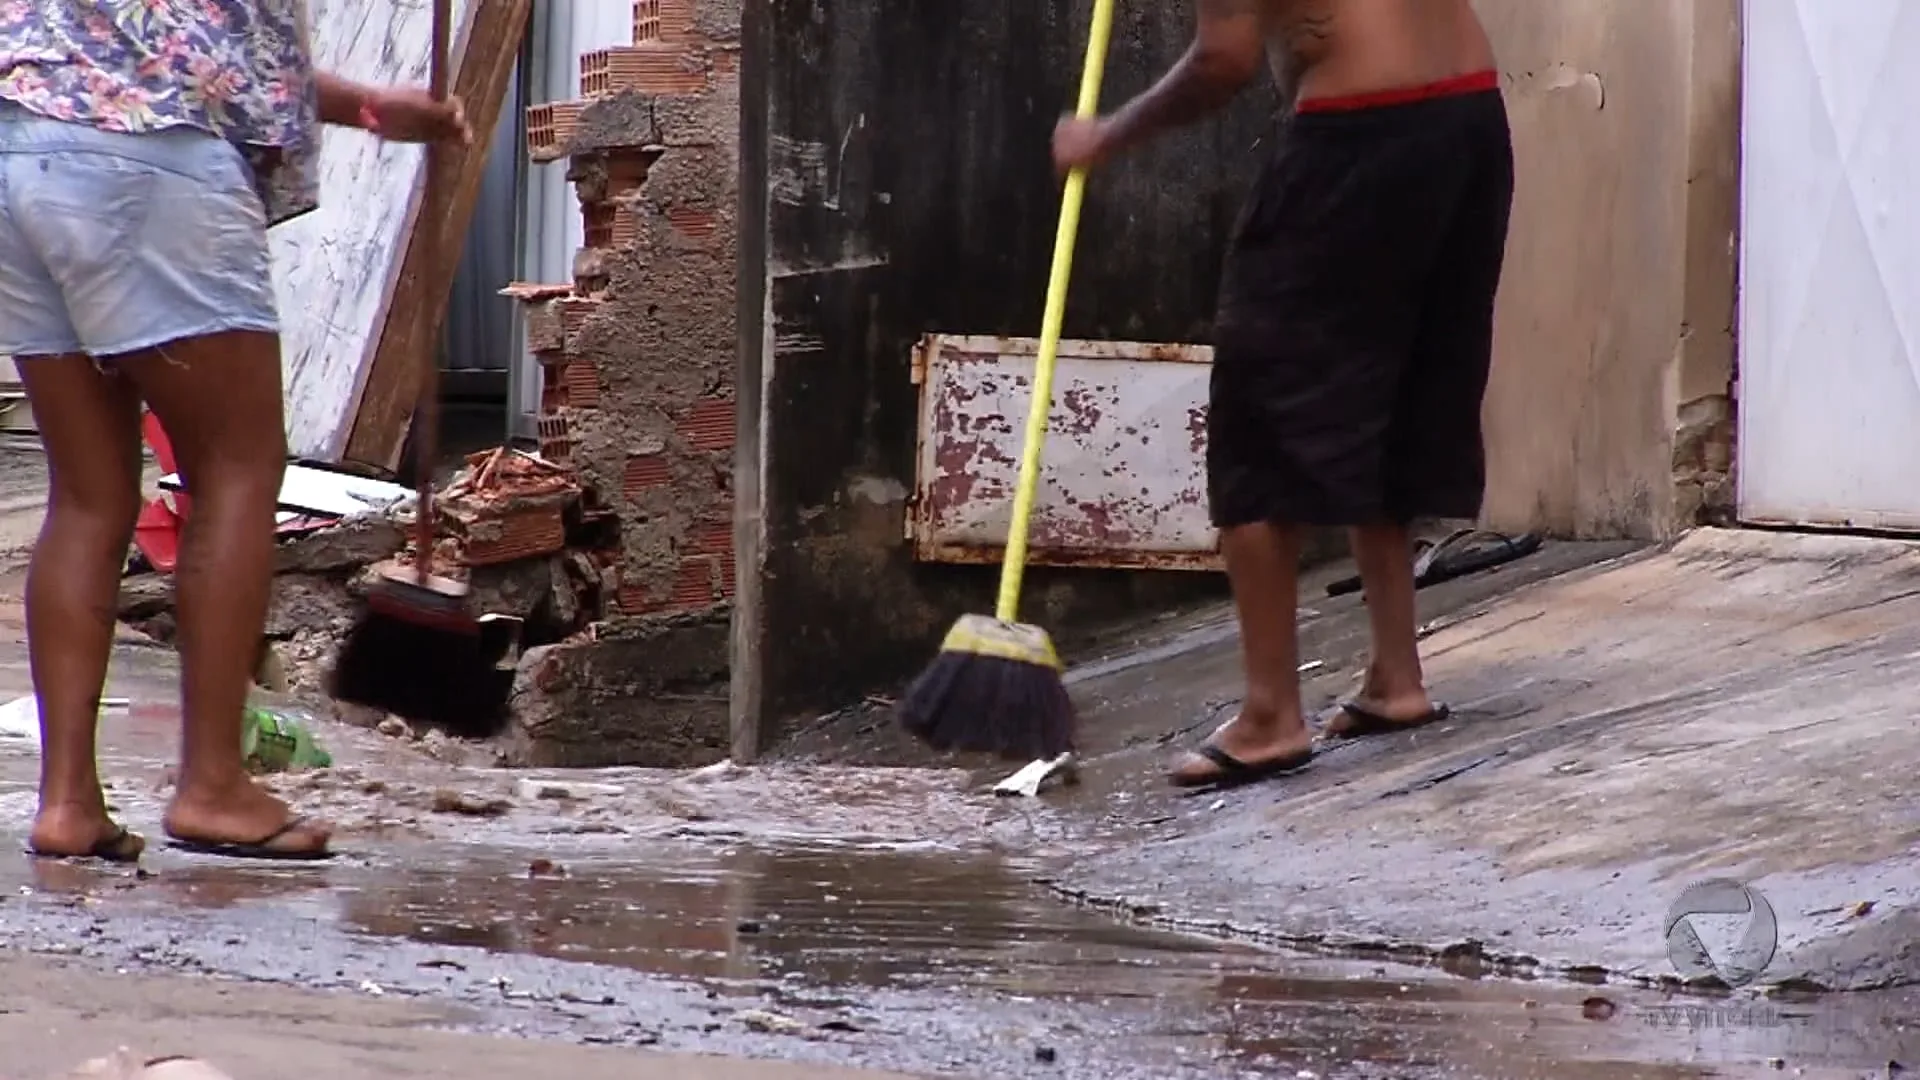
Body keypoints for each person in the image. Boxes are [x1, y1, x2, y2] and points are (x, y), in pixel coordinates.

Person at [0, 2, 469, 861]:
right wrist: (370, 107)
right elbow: (208, 61)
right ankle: (213, 784)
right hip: (149, 156)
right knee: (237, 470)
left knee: (89, 494)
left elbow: (189, 41)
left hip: (21, 151)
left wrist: (368, 106)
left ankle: (67, 801)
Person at [1053, 0, 1513, 788]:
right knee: (1398, 386)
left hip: (1360, 135)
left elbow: (1221, 61)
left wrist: (1107, 134)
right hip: (1470, 117)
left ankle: (1271, 716)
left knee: (1260, 406)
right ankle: (1395, 677)